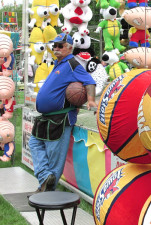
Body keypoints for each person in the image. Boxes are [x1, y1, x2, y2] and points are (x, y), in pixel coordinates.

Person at [28, 33, 97, 194]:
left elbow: (89, 81)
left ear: (70, 48)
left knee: (54, 158)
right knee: (34, 142)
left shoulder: (72, 63)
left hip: (61, 117)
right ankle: (45, 177)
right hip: (47, 116)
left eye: (60, 45)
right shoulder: (58, 63)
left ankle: (46, 191)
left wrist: (91, 99)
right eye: (55, 46)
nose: (56, 48)